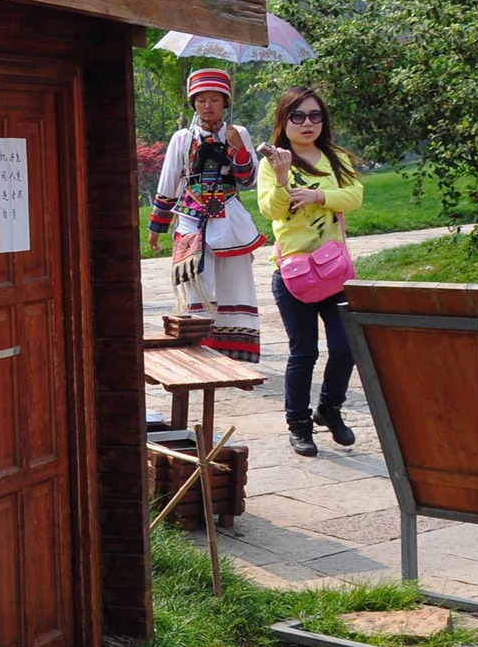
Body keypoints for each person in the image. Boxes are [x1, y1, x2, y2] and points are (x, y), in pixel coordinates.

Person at [256, 87, 364, 457]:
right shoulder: (272, 163)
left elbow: (355, 196)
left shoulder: (335, 158)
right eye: (298, 116)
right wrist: (286, 180)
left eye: (315, 116)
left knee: (346, 347)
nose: (307, 123)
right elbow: (271, 211)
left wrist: (319, 196)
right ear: (283, 121)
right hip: (294, 276)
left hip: (334, 273)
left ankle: (329, 410)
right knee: (304, 353)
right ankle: (299, 425)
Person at [148, 69, 267, 361]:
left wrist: (238, 148)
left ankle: (236, 351)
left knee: (235, 281)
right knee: (194, 282)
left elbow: (248, 178)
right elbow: (169, 182)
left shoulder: (239, 133)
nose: (208, 105)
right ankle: (200, 349)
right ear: (193, 103)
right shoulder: (182, 138)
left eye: (215, 99)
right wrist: (157, 226)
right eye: (201, 100)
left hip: (229, 219)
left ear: (225, 102)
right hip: (190, 219)